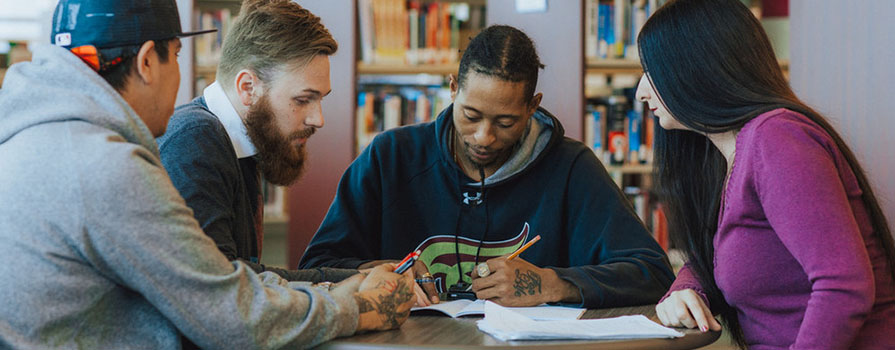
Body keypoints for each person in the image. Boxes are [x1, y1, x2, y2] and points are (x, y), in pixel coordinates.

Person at [0, 0, 414, 348]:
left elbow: (222, 281)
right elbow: (227, 313)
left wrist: (341, 285)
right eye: (177, 56)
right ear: (148, 62)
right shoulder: (104, 164)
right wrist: (357, 307)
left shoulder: (42, 140)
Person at [300, 25, 674, 308]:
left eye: (506, 122)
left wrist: (550, 283)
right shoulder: (390, 157)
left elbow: (652, 273)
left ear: (533, 106)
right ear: (452, 88)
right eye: (470, 115)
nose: (483, 137)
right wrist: (378, 271)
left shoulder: (571, 168)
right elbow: (316, 266)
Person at [635, 0, 895, 348]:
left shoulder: (776, 139)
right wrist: (687, 288)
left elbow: (844, 286)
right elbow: (723, 253)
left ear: (696, 66)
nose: (640, 92)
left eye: (651, 71)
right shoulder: (725, 155)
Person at [157, 0, 356, 283]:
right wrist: (350, 283)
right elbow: (222, 284)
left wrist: (357, 277)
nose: (318, 119)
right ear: (248, 88)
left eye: (320, 99)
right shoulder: (194, 142)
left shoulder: (244, 142)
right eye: (302, 100)